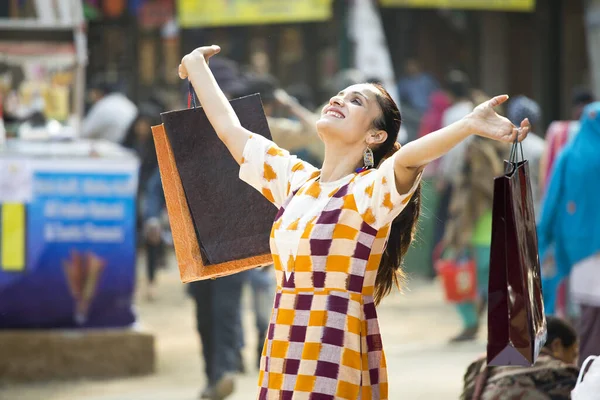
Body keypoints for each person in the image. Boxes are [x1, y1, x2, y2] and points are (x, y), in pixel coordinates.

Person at [178, 44, 529, 399]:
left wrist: (468, 125)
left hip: (332, 348)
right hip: (283, 347)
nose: (339, 99)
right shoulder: (297, 182)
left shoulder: (369, 192)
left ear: (375, 137)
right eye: (341, 94)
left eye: (357, 101)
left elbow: (407, 159)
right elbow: (229, 129)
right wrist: (196, 67)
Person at [538, 102, 600, 367]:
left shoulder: (569, 154)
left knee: (588, 315)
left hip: (578, 249)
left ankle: (586, 372)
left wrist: (544, 238)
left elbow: (551, 202)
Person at [442, 136, 507, 342]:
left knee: (459, 277)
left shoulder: (475, 184)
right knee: (487, 286)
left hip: (476, 239)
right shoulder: (502, 162)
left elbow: (466, 215)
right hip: (493, 236)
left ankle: (472, 324)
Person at [461, 316, 580, 400]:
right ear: (557, 346)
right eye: (573, 355)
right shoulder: (561, 374)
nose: (575, 362)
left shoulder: (485, 363)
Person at [506, 95, 546, 218]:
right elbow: (544, 182)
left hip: (508, 211)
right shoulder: (541, 147)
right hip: (535, 211)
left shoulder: (502, 145)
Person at [81, 79, 137, 143]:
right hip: (128, 148)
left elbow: (85, 132)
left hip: (112, 148)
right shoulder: (127, 103)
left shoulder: (104, 104)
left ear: (99, 93)